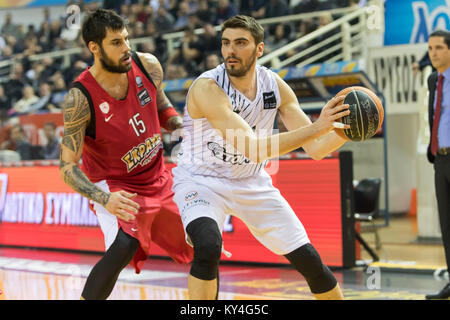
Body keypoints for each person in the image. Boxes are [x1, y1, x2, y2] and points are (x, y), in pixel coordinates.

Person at [171, 15, 350, 300]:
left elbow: (316, 149)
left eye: (240, 43)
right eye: (226, 43)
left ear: (259, 49)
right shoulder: (208, 88)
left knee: (310, 261)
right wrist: (318, 126)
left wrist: (345, 130)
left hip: (251, 181)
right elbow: (253, 149)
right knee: (207, 246)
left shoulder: (274, 86)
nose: (231, 50)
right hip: (200, 181)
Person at [59, 8, 193, 300]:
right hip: (114, 185)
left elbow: (161, 104)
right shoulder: (80, 98)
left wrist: (179, 124)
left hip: (157, 175)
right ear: (94, 47)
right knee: (124, 245)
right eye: (116, 42)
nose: (126, 48)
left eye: (127, 39)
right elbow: (66, 168)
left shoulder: (147, 65)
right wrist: (105, 199)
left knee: (204, 237)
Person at [425, 30, 450, 300]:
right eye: (431, 48)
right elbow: (432, 115)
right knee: (446, 224)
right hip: (440, 159)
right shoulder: (434, 80)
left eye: (439, 47)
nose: (433, 53)